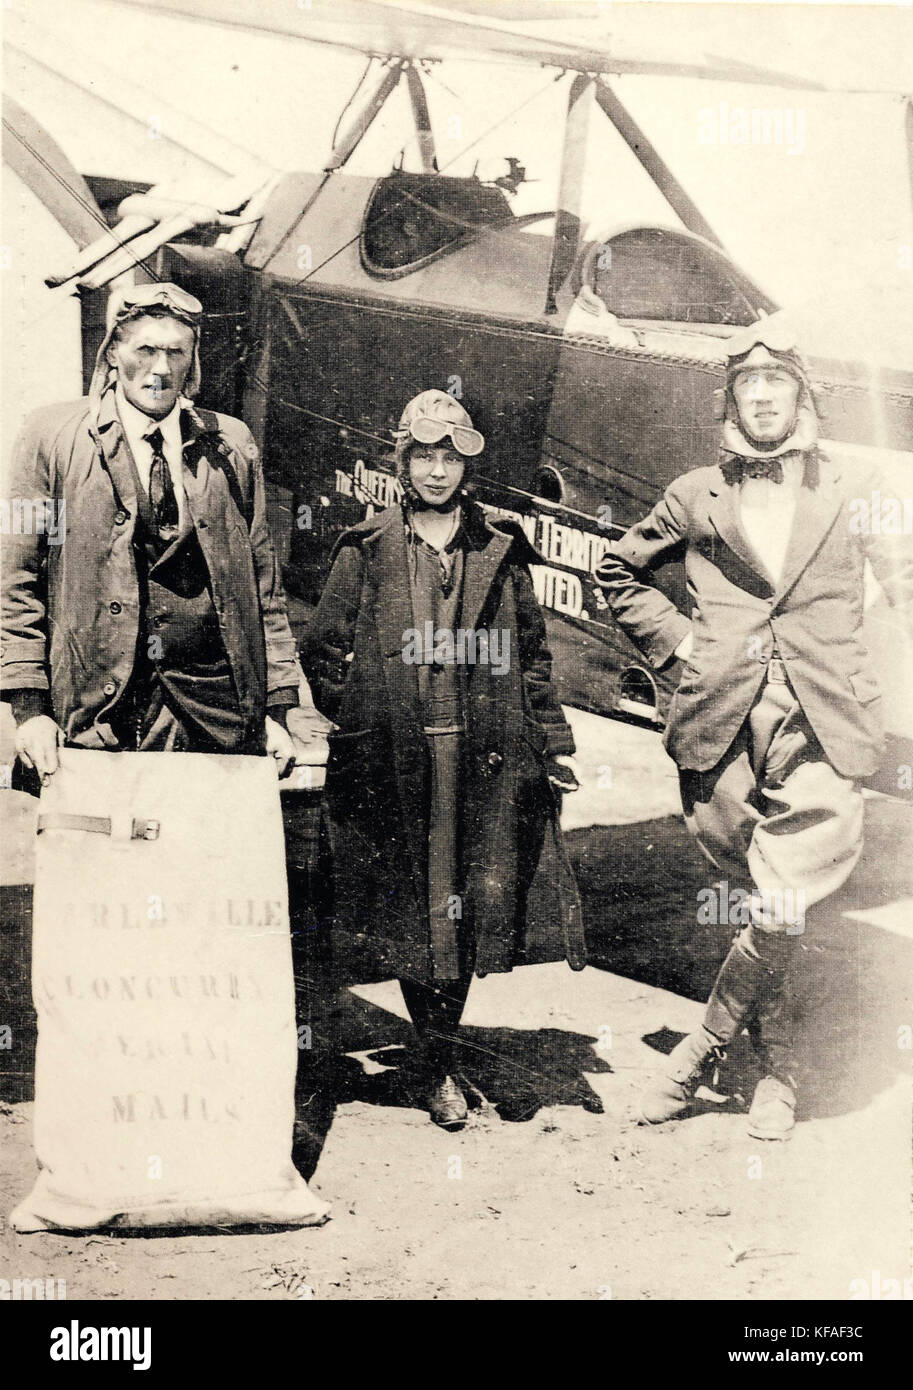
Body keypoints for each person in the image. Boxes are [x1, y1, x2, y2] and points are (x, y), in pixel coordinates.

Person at [595, 320, 913, 1140]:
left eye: (777, 385)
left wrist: (871, 664)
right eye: (747, 386)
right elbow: (617, 569)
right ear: (731, 400)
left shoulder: (850, 487)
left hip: (822, 721)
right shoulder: (694, 490)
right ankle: (775, 1068)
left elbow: (905, 577)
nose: (763, 397)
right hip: (720, 723)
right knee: (759, 901)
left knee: (782, 902)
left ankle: (701, 1053)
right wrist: (678, 645)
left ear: (801, 397)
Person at [300, 389, 584, 1129]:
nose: (435, 472)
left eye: (449, 458)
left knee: (465, 907)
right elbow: (323, 650)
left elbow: (529, 657)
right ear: (402, 462)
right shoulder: (366, 548)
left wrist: (548, 741)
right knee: (407, 906)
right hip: (394, 763)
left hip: (478, 763)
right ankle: (427, 1059)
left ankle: (438, 1058)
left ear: (467, 466)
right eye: (422, 457)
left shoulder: (499, 547)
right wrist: (367, 719)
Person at [2, 281, 299, 774]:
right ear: (114, 352)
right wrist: (30, 711)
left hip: (215, 713)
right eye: (145, 349)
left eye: (175, 353)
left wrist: (276, 708)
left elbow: (264, 588)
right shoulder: (49, 436)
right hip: (95, 714)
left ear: (192, 360)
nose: (160, 369)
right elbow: (15, 579)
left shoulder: (231, 444)